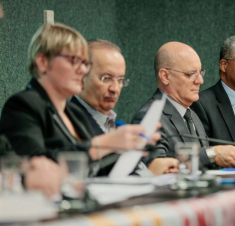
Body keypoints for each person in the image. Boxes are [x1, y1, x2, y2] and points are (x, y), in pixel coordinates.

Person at [0, 23, 160, 166]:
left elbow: (97, 167)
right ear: (42, 62)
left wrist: (133, 148)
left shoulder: (73, 112)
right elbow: (35, 164)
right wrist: (107, 143)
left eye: (85, 63)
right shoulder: (23, 105)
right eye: (74, 60)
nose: (83, 70)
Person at [132, 41, 235, 168]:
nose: (200, 81)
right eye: (190, 74)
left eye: (200, 73)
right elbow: (154, 167)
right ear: (165, 76)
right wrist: (212, 154)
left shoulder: (191, 114)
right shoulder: (149, 117)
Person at [71, 39, 178, 175]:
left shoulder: (115, 124)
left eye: (120, 80)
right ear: (80, 76)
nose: (115, 88)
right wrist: (150, 175)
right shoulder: (68, 121)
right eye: (106, 78)